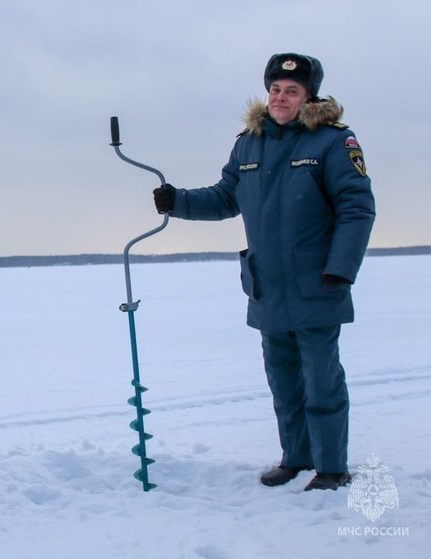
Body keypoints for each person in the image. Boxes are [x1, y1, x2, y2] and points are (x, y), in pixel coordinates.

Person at [153, 53, 375, 491]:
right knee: (284, 381)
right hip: (267, 287)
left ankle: (332, 468)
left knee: (322, 381)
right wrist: (177, 201)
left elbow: (357, 208)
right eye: (275, 89)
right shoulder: (248, 144)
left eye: (291, 91)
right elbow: (224, 198)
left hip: (318, 284)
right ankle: (296, 457)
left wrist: (341, 269)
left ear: (309, 96)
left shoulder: (333, 142)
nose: (280, 97)